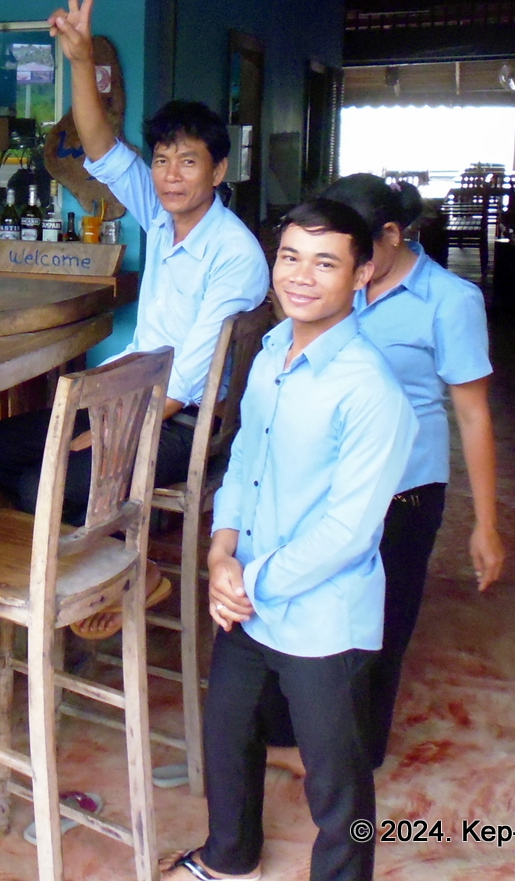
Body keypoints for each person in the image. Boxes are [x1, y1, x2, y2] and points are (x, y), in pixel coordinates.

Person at [0, 0, 269, 639]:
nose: (170, 174)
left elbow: (185, 386)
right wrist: (78, 61)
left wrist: (89, 434)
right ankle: (104, 570)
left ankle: (117, 577)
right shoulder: (163, 217)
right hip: (126, 396)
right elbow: (98, 143)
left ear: (219, 171)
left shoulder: (235, 254)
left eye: (188, 162)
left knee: (35, 485)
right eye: (162, 160)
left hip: (177, 424)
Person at [164, 200, 416, 881]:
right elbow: (247, 455)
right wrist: (222, 550)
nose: (300, 277)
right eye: (290, 256)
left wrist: (247, 580)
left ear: (362, 272)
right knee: (228, 735)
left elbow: (347, 532)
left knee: (338, 780)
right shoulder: (274, 349)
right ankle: (228, 855)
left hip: (321, 617)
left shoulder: (371, 392)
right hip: (246, 591)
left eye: (326, 262)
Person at [261, 174, 502, 775]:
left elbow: (472, 416)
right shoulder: (332, 289)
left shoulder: (450, 301)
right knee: (310, 610)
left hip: (405, 491)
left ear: (390, 236)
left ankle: (355, 757)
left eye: (351, 248)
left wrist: (487, 525)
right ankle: (296, 739)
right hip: (325, 484)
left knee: (379, 629)